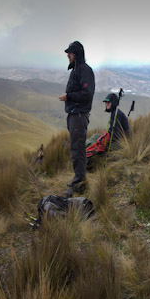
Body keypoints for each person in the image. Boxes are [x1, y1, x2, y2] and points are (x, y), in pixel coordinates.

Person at [58, 41, 95, 197]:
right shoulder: (77, 70)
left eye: (70, 53)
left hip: (79, 116)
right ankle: (78, 179)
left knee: (78, 150)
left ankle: (79, 184)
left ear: (77, 54)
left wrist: (69, 96)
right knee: (76, 148)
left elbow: (87, 93)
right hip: (74, 115)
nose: (68, 55)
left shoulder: (84, 70)